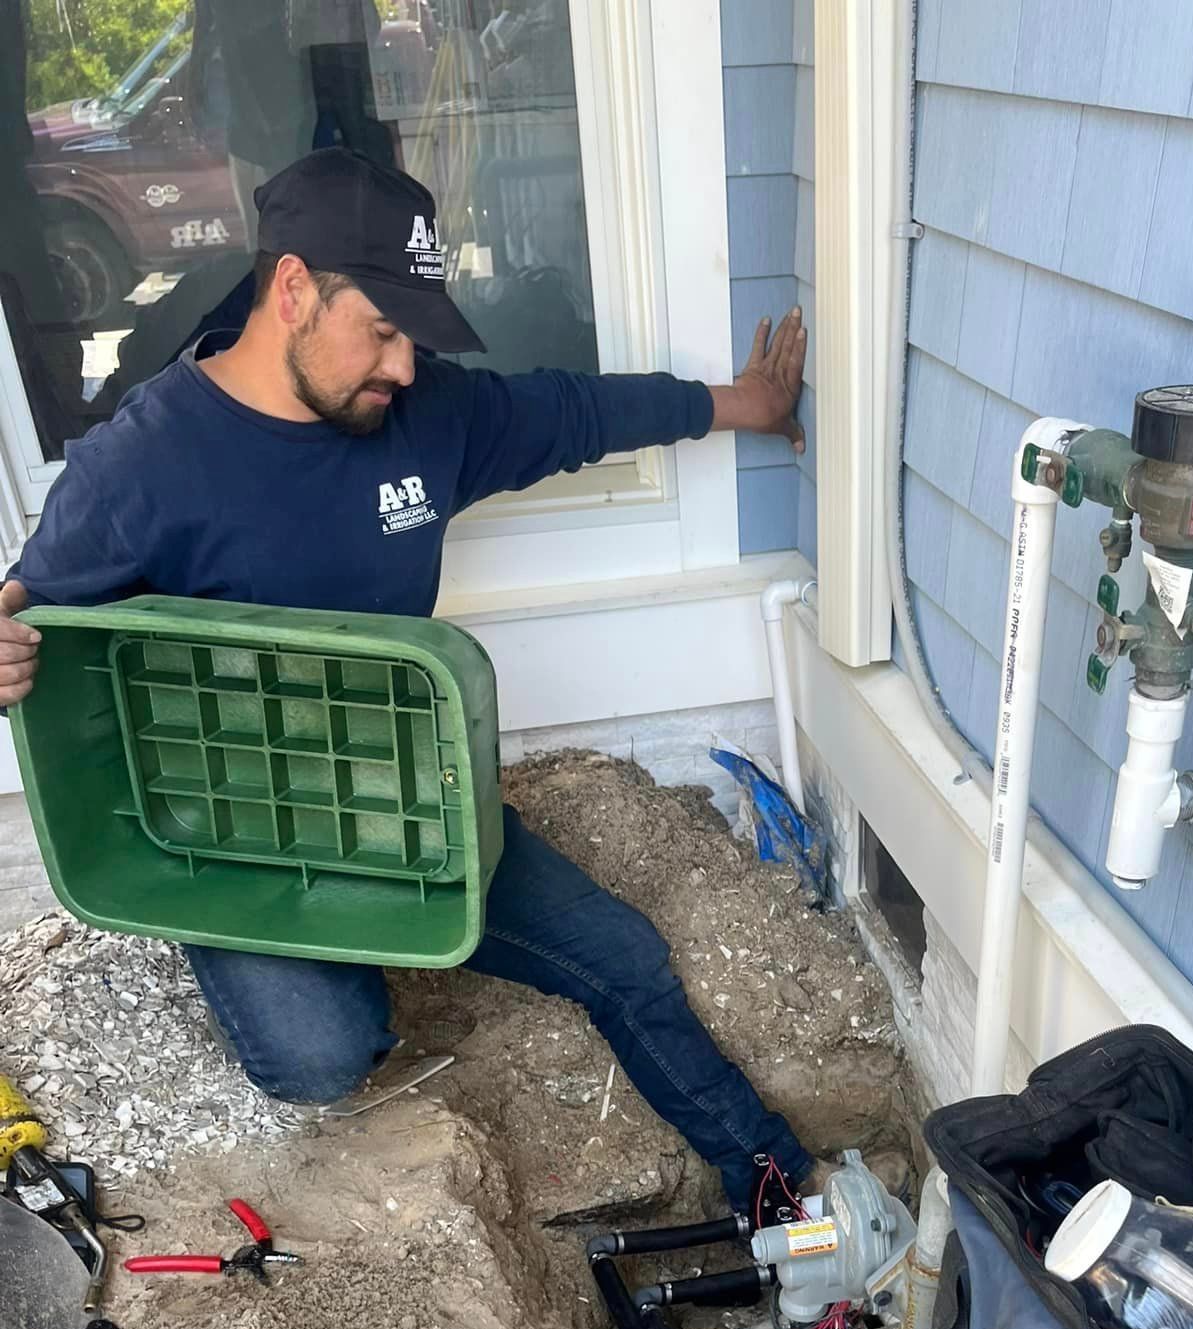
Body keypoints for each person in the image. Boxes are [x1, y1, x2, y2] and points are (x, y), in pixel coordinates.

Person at [0, 148, 816, 1215]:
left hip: (399, 795)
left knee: (624, 957)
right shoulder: (141, 466)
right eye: (378, 330)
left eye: (413, 335)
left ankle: (776, 1188)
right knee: (323, 1058)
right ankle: (298, 963)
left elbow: (572, 413)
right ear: (290, 288)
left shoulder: (425, 417)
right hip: (232, 829)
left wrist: (740, 404)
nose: (400, 364)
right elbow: (40, 631)